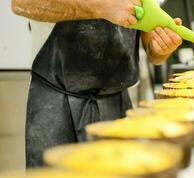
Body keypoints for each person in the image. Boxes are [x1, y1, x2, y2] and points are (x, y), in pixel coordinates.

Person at [12, 0, 183, 167]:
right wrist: (101, 7)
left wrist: (160, 48)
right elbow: (22, 4)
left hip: (116, 107)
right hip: (55, 105)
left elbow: (152, 46)